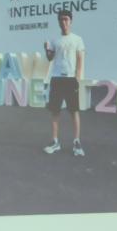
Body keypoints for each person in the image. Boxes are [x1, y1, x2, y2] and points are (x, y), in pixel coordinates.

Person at [42, 9, 86, 156]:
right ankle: (55, 142)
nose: (63, 22)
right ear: (58, 22)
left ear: (70, 21)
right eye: (61, 19)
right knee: (55, 111)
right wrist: (46, 49)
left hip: (70, 79)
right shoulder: (55, 40)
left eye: (66, 19)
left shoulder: (77, 39)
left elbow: (80, 60)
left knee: (74, 111)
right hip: (56, 78)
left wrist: (78, 79)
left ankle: (77, 142)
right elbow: (50, 58)